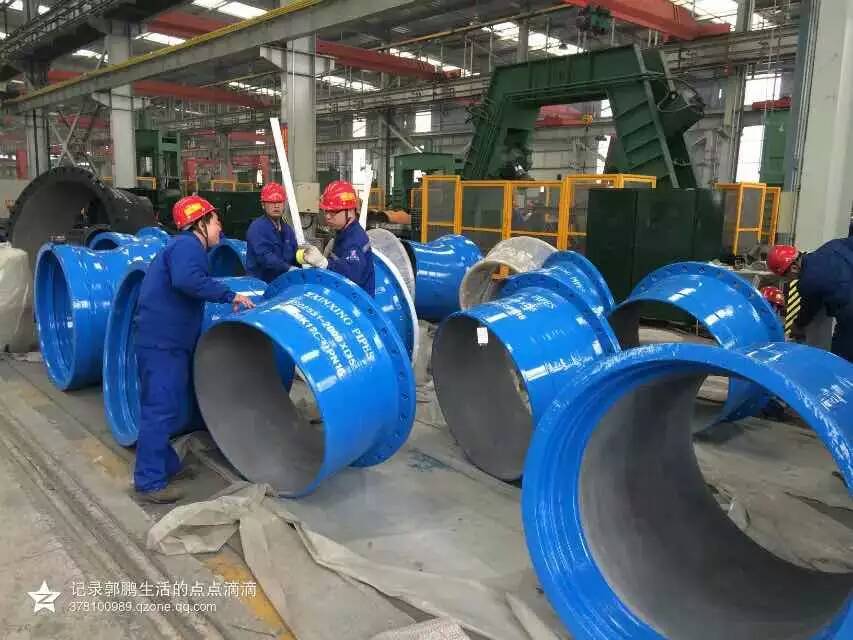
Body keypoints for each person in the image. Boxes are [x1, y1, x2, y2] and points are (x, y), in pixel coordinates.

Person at [133, 195, 256, 503]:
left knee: (168, 406)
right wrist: (230, 295)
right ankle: (149, 483)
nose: (220, 228)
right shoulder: (188, 246)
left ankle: (165, 467)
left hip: (167, 341)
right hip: (163, 344)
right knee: (160, 409)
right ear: (200, 224)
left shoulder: (182, 247)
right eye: (216, 222)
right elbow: (188, 280)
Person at [768, 240, 853, 362]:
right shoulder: (831, 246)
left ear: (794, 267)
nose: (788, 280)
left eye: (785, 276)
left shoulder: (807, 283)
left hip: (849, 316)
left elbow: (808, 311)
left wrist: (797, 326)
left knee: (840, 359)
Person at [296, 180, 375, 296]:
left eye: (333, 212)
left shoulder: (355, 240)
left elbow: (352, 276)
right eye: (326, 211)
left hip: (354, 303)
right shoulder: (343, 233)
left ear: (350, 211)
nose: (327, 217)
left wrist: (324, 263)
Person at [245, 182, 299, 283]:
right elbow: (265, 257)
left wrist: (304, 256)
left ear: (284, 204)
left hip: (283, 283)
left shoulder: (287, 230)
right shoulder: (257, 228)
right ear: (263, 205)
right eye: (271, 202)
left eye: (279, 202)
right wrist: (288, 268)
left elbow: (295, 253)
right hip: (260, 284)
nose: (276, 206)